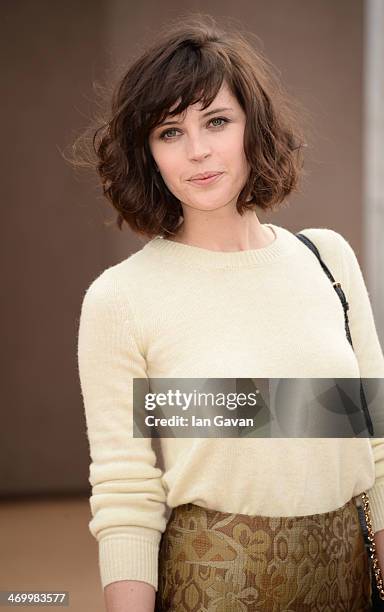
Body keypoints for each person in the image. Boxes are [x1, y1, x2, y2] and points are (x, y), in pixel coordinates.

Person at [76, 13, 384, 611]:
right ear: (149, 153)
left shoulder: (328, 260)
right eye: (169, 131)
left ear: (253, 128)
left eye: (216, 121)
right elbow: (126, 494)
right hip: (211, 591)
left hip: (350, 586)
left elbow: (377, 445)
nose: (197, 151)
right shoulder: (121, 298)